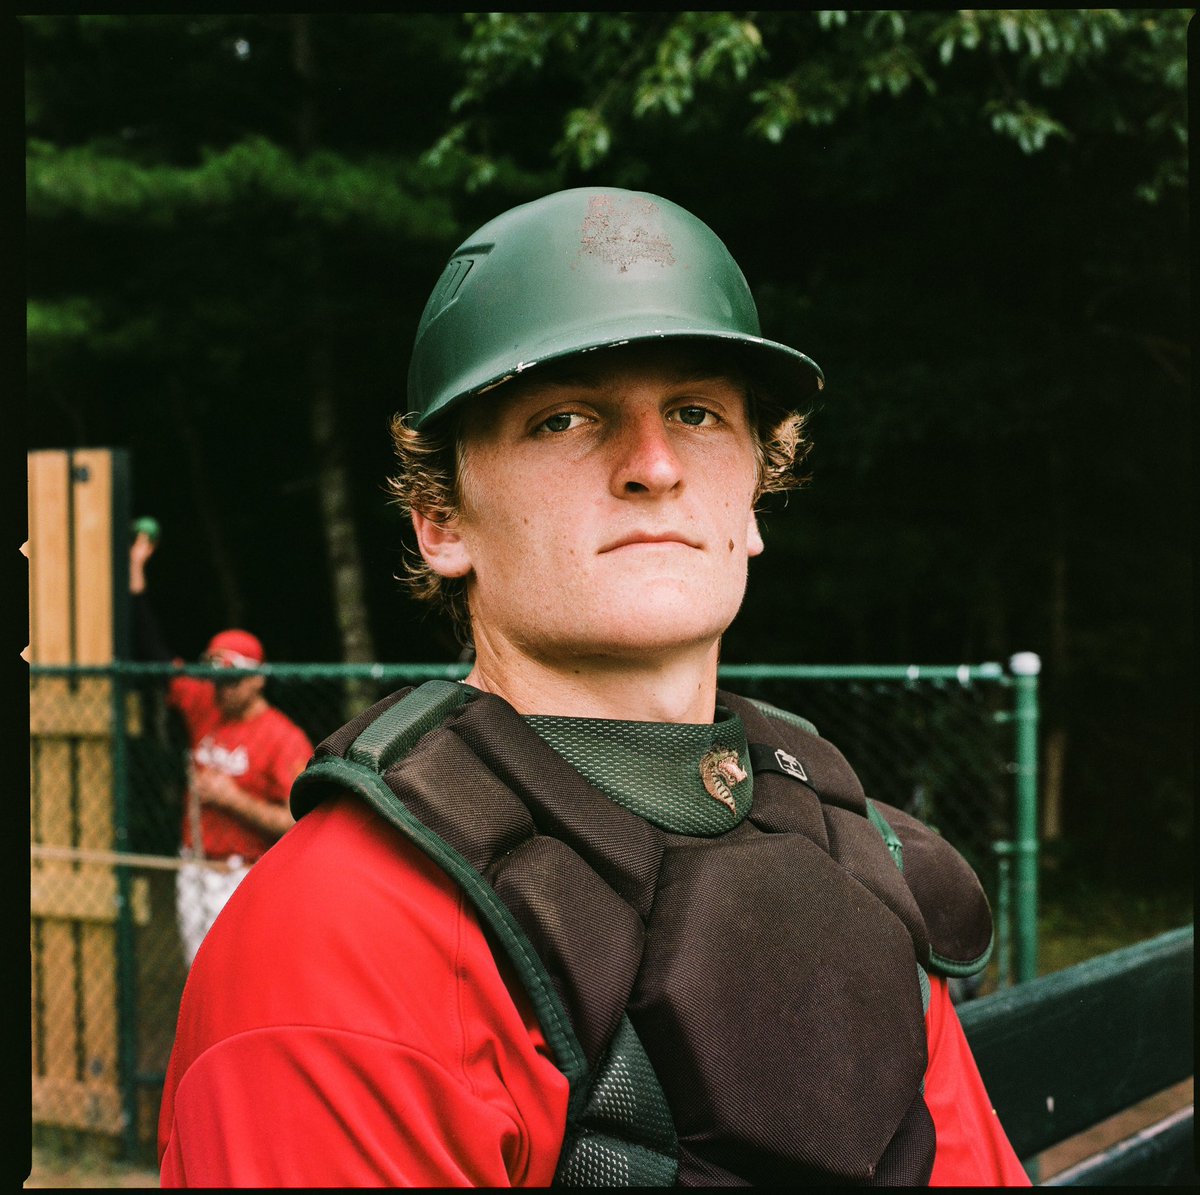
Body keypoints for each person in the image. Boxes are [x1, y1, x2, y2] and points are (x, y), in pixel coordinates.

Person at [156, 186, 1030, 1186]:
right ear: (441, 519)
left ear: (753, 500)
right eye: (564, 418)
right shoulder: (339, 937)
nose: (654, 465)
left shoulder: (846, 855)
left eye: (697, 413)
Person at [130, 531, 312, 966]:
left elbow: (299, 824)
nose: (221, 692)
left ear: (256, 679)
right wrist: (135, 572)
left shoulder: (283, 738)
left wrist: (234, 801)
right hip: (192, 865)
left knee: (243, 976)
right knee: (197, 975)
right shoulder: (204, 704)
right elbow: (154, 657)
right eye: (215, 682)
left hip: (243, 872)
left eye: (230, 683)